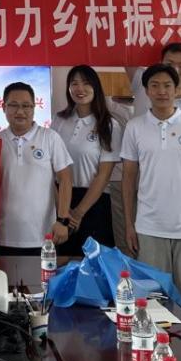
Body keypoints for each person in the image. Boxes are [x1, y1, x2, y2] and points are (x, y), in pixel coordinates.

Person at [121, 64, 181, 303]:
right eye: (154, 86)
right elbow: (128, 177)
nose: (161, 91)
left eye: (167, 85)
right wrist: (129, 224)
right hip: (148, 227)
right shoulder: (135, 127)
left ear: (177, 89)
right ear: (146, 91)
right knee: (152, 302)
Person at [0, 82, 73, 255]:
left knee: (44, 274)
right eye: (13, 105)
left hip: (44, 235)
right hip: (4, 235)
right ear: (3, 107)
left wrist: (63, 220)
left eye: (26, 106)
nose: (20, 111)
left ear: (34, 108)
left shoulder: (50, 137)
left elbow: (65, 179)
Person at [53, 65, 123, 254]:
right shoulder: (59, 120)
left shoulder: (109, 125)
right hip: (61, 201)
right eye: (74, 83)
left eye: (85, 83)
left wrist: (78, 213)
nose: (80, 89)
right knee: (60, 261)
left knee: (94, 263)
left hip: (94, 202)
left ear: (95, 87)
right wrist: (62, 209)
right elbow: (50, 167)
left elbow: (103, 176)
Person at [130, 43, 181, 130]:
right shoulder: (143, 86)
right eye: (169, 65)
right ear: (160, 65)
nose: (174, 70)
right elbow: (125, 51)